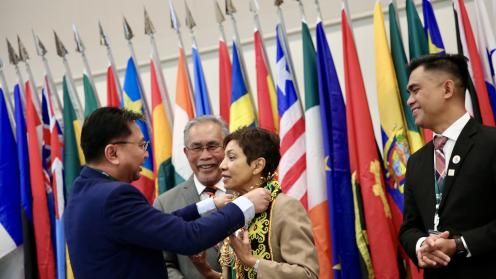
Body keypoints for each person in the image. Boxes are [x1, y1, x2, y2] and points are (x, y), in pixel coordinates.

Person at [64, 107, 272, 279]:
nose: (146, 154)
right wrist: (245, 204)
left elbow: (158, 225)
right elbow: (188, 237)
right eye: (141, 145)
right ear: (113, 153)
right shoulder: (115, 196)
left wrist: (210, 205)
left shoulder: (83, 190)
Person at [399, 54, 496, 277]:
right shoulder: (416, 162)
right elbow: (408, 228)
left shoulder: (491, 144)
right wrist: (422, 244)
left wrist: (459, 244)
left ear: (447, 90)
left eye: (415, 90)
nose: (409, 100)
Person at [194, 127, 319, 279]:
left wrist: (252, 261)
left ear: (258, 165)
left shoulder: (284, 207)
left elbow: (308, 274)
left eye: (231, 157)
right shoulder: (234, 207)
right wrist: (207, 271)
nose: (222, 165)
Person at [154, 115, 229, 279]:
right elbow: (163, 263)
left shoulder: (248, 193)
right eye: (196, 148)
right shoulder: (165, 204)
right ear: (186, 153)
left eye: (213, 146)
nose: (205, 156)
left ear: (227, 148)